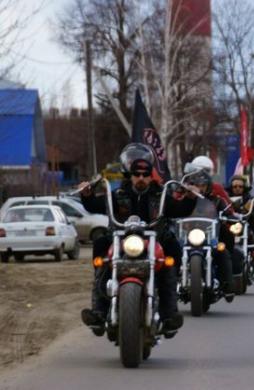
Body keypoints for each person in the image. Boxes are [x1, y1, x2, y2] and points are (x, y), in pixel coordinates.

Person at [79, 143, 197, 336]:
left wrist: (190, 198)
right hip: (123, 242)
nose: (141, 178)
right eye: (137, 174)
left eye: (145, 175)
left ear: (151, 176)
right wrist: (87, 194)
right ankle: (99, 313)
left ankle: (169, 317)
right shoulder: (117, 195)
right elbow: (95, 205)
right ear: (130, 176)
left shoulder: (161, 196)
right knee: (103, 258)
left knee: (169, 264)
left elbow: (180, 209)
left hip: (154, 242)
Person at [183, 165, 234, 302]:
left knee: (223, 252)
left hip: (210, 237)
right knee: (171, 256)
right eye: (194, 185)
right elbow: (174, 211)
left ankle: (228, 287)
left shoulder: (217, 200)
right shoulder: (184, 200)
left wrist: (229, 217)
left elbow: (228, 212)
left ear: (208, 186)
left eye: (202, 185)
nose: (199, 188)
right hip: (187, 237)